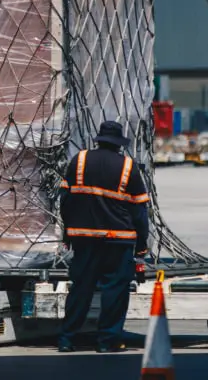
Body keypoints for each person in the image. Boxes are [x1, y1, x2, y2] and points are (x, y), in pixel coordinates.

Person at [56, 120, 150, 353]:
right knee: (115, 291)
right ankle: (107, 342)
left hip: (84, 238)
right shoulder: (128, 167)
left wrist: (68, 232)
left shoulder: (79, 160)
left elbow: (65, 200)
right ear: (119, 144)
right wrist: (141, 247)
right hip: (117, 240)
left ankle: (67, 339)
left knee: (81, 289)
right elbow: (139, 211)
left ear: (99, 140)